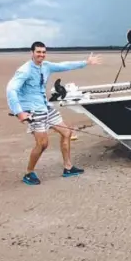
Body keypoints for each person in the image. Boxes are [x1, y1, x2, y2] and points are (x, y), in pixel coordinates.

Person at [6, 41, 102, 185]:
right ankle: (29, 173)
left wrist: (85, 62)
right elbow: (11, 90)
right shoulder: (24, 70)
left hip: (46, 107)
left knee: (67, 133)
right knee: (43, 144)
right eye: (38, 52)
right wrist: (19, 112)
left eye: (43, 52)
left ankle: (68, 168)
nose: (41, 55)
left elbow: (64, 65)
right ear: (31, 53)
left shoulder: (46, 66)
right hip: (33, 111)